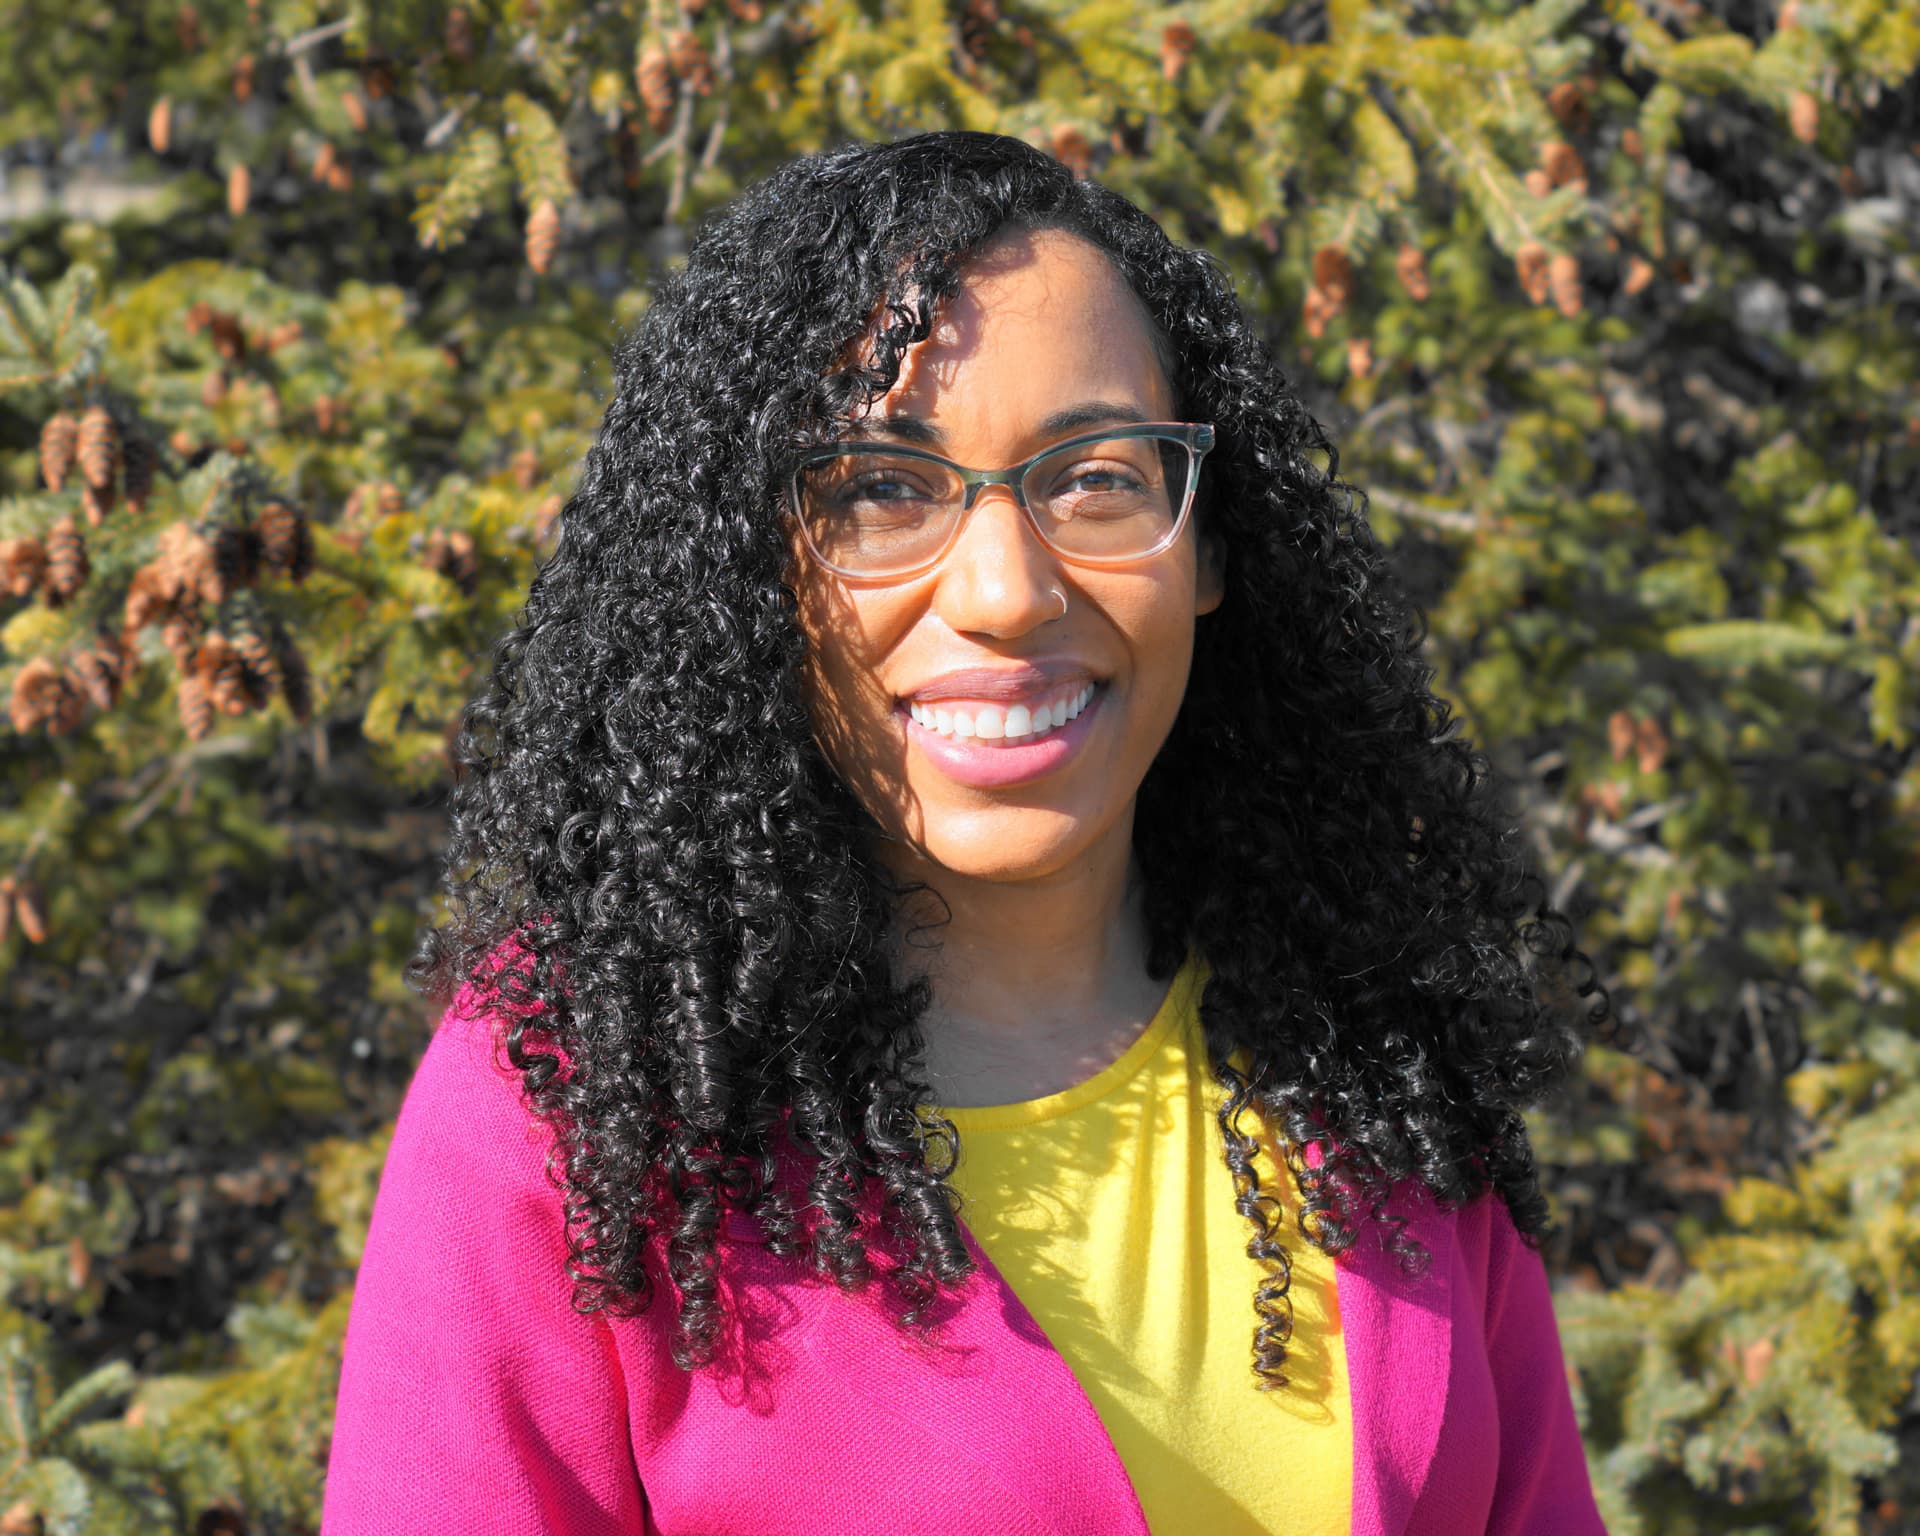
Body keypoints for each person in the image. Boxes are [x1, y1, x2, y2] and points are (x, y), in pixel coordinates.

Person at [321, 130, 1612, 1535]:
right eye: (880, 488)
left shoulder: (1369, 1053)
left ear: (1211, 545)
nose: (1005, 589)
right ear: (757, 569)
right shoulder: (585, 1112)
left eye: (1097, 476)